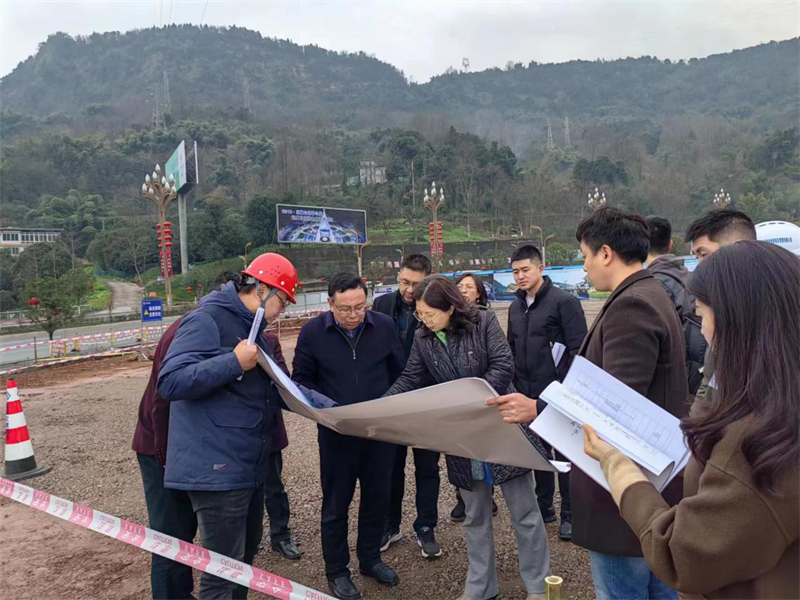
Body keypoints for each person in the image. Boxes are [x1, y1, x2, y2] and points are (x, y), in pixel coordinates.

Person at [489, 207, 689, 600]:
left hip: (625, 488)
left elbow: (614, 410)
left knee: (624, 590)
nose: (583, 267)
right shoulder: (650, 293)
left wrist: (537, 409)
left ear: (606, 253)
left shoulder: (632, 305)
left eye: (584, 256)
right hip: (648, 485)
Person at [584, 240, 800, 600]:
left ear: (734, 319)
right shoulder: (780, 401)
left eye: (702, 314)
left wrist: (617, 466)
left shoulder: (758, 440)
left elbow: (681, 555)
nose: (702, 329)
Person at [385, 275, 550, 600]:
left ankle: (538, 585)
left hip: (502, 426)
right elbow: (410, 377)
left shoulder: (483, 322)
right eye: (419, 314)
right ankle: (481, 587)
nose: (424, 320)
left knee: (525, 513)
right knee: (474, 516)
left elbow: (503, 366)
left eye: (430, 313)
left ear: (450, 307)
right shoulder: (423, 337)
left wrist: (472, 402)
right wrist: (382, 406)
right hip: (464, 438)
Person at [157, 254, 298, 600]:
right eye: (282, 301)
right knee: (222, 573)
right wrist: (232, 362)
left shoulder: (253, 328)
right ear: (262, 289)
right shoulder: (207, 319)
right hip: (217, 469)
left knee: (242, 562)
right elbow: (171, 381)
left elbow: (275, 386)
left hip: (246, 465)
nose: (282, 311)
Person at [292, 273, 405, 600]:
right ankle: (337, 571)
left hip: (378, 432)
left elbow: (400, 372)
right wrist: (330, 410)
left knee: (377, 499)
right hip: (336, 434)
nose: (354, 315)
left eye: (360, 307)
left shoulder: (383, 326)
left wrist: (386, 406)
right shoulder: (313, 333)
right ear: (330, 304)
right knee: (336, 504)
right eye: (345, 309)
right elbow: (301, 381)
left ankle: (370, 559)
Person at [133, 271, 239, 600]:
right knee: (170, 539)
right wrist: (168, 461)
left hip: (183, 449)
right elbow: (161, 403)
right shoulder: (191, 330)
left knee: (186, 534)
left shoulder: (216, 328)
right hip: (160, 449)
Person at [506, 245, 587, 542]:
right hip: (526, 394)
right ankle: (544, 506)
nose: (520, 276)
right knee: (538, 454)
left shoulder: (564, 302)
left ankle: (570, 514)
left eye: (525, 270)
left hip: (558, 394)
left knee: (565, 456)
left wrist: (565, 390)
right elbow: (511, 348)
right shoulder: (515, 308)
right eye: (515, 271)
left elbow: (579, 351)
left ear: (541, 268)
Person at [372, 254, 443, 558]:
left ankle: (426, 526)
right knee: (391, 467)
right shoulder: (381, 305)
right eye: (404, 282)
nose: (409, 290)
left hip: (427, 400)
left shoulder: (437, 306)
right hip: (393, 398)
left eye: (416, 284)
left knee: (427, 467)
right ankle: (391, 524)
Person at [684, 209, 756, 415]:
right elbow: (708, 386)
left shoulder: (772, 316)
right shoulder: (720, 311)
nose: (700, 267)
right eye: (697, 257)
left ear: (738, 248)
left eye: (704, 255)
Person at [450, 272, 499, 523]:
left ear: (479, 293)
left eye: (469, 287)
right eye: (460, 286)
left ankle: (488, 496)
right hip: (459, 405)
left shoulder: (487, 319)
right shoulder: (445, 324)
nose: (463, 290)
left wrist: (479, 394)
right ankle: (464, 498)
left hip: (485, 399)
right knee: (461, 456)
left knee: (488, 454)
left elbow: (501, 362)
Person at [645, 216, 707, 395]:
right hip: (699, 369)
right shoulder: (687, 275)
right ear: (670, 244)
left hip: (679, 378)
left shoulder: (653, 284)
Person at [261, 330, 302, 560]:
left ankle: (281, 535)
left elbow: (284, 380)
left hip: (268, 429)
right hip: (233, 435)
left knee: (274, 487)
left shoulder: (269, 341)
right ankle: (246, 537)